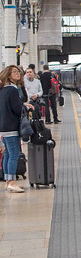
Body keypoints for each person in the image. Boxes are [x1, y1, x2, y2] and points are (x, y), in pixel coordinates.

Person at [1, 65, 34, 193]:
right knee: (14, 154)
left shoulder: (3, 90)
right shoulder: (12, 90)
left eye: (18, 71)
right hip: (11, 127)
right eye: (14, 72)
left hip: (4, 127)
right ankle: (12, 182)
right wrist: (26, 107)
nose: (17, 73)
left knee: (8, 154)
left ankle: (8, 181)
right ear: (8, 75)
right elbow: (16, 108)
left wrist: (22, 104)